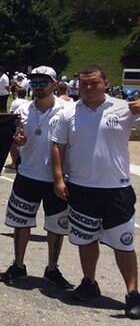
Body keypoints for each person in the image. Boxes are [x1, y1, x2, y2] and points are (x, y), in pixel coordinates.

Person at [50, 65, 140, 319]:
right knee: (86, 240)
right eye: (84, 84)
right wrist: (58, 179)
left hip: (116, 189)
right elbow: (58, 146)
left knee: (124, 244)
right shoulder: (69, 112)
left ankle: (133, 293)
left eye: (94, 83)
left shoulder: (124, 107)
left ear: (105, 84)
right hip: (81, 188)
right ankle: (89, 282)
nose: (88, 88)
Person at [0, 66, 73, 289]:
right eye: (35, 83)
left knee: (56, 226)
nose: (38, 87)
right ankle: (18, 264)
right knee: (21, 223)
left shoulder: (68, 109)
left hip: (56, 177)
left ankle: (52, 268)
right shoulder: (23, 109)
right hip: (28, 173)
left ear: (54, 84)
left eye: (43, 83)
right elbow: (18, 135)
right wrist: (18, 140)